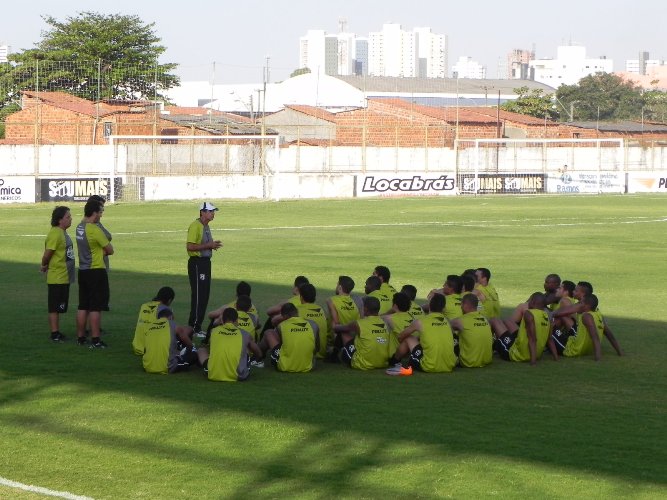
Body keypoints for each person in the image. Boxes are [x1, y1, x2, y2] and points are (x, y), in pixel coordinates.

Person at [386, 293, 457, 375]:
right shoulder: (448, 322)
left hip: (429, 366)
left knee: (408, 338)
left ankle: (394, 361)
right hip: (449, 366)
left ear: (429, 305)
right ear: (444, 308)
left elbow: (400, 337)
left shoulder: (420, 322)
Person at [75, 199, 114, 348]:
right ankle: (96, 339)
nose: (101, 215)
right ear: (94, 213)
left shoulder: (79, 227)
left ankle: (80, 338)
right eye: (100, 212)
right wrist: (101, 251)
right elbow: (110, 250)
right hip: (96, 270)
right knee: (96, 306)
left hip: (83, 270)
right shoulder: (94, 229)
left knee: (82, 305)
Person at [186, 201, 223, 337]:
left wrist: (211, 246)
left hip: (205, 263)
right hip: (197, 263)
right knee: (199, 295)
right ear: (202, 212)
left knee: (204, 294)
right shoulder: (195, 226)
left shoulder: (205, 226)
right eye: (211, 211)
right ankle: (194, 327)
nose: (213, 214)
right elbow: (189, 247)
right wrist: (209, 245)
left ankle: (197, 326)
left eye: (213, 211)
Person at [197, 308, 263, 381]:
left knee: (201, 350)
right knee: (245, 349)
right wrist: (259, 356)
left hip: (214, 373)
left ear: (222, 320)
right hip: (238, 375)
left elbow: (213, 344)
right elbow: (256, 350)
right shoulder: (245, 334)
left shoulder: (214, 331)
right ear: (237, 320)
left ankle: (213, 367)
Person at [489, 292, 555, 365]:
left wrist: (533, 362)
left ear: (532, 302)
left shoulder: (529, 313)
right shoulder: (547, 316)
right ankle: (496, 344)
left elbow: (532, 339)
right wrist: (556, 357)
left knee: (494, 320)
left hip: (516, 354)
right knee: (507, 321)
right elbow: (550, 339)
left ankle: (488, 350)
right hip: (535, 353)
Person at [551, 294, 623, 359]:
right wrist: (620, 352)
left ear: (587, 306)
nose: (579, 304)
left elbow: (595, 337)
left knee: (549, 328)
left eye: (581, 303)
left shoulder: (586, 316)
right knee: (561, 321)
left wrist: (598, 358)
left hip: (571, 349)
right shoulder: (598, 313)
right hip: (583, 347)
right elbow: (609, 334)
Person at [41, 206, 75, 342]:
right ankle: (54, 334)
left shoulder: (62, 232)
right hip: (57, 277)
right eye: (68, 217)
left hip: (63, 276)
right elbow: (47, 254)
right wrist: (44, 265)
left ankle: (56, 332)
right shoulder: (55, 233)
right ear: (60, 220)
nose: (70, 219)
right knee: (54, 307)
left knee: (59, 306)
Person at [132, 286, 193, 355]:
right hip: (152, 348)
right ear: (169, 300)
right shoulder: (165, 310)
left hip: (138, 347)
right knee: (188, 329)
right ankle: (186, 349)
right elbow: (173, 329)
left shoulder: (144, 306)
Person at [261, 303, 320, 373]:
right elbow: (317, 347)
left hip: (284, 366)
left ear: (284, 316)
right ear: (297, 312)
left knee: (268, 333)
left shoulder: (281, 326)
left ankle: (257, 357)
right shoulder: (313, 324)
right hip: (308, 366)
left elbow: (279, 343)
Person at [336, 296, 390, 370]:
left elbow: (337, 328)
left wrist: (334, 323)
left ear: (365, 309)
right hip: (382, 363)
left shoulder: (358, 324)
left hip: (362, 364)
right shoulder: (385, 322)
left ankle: (333, 355)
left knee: (343, 333)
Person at [140, 307, 197, 374]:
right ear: (170, 317)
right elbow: (189, 344)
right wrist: (190, 349)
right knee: (195, 354)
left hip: (147, 366)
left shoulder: (148, 327)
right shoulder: (172, 324)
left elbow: (145, 349)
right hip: (167, 366)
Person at [449, 294, 493, 368]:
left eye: (461, 304)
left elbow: (446, 326)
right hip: (487, 360)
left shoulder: (461, 320)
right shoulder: (484, 319)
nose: (461, 307)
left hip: (469, 362)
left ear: (466, 305)